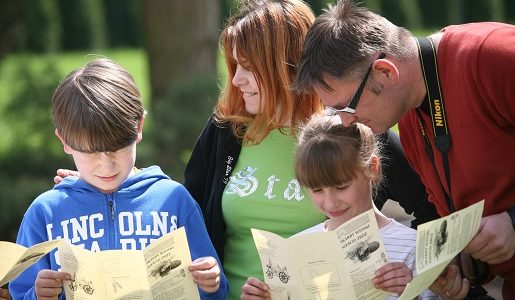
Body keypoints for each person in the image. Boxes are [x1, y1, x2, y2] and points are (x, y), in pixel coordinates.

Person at [183, 1, 438, 299]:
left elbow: (434, 208)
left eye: (249, 67)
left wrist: (417, 271)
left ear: (286, 66)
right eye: (234, 65)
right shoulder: (226, 131)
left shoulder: (346, 130)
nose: (237, 80)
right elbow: (190, 218)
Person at [293, 0, 515, 298]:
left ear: (385, 72)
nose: (345, 122)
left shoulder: (492, 55)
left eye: (345, 106)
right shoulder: (407, 118)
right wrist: (451, 274)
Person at [9, 59, 228, 300]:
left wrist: (211, 283)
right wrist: (37, 295)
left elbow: (215, 290)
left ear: (139, 128)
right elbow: (19, 292)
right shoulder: (45, 212)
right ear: (65, 142)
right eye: (91, 152)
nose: (106, 165)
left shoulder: (173, 200)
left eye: (117, 149)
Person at [241, 115, 438, 299]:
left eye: (341, 187)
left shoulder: (415, 247)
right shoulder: (296, 249)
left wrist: (413, 292)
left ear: (372, 168)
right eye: (317, 190)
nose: (330, 203)